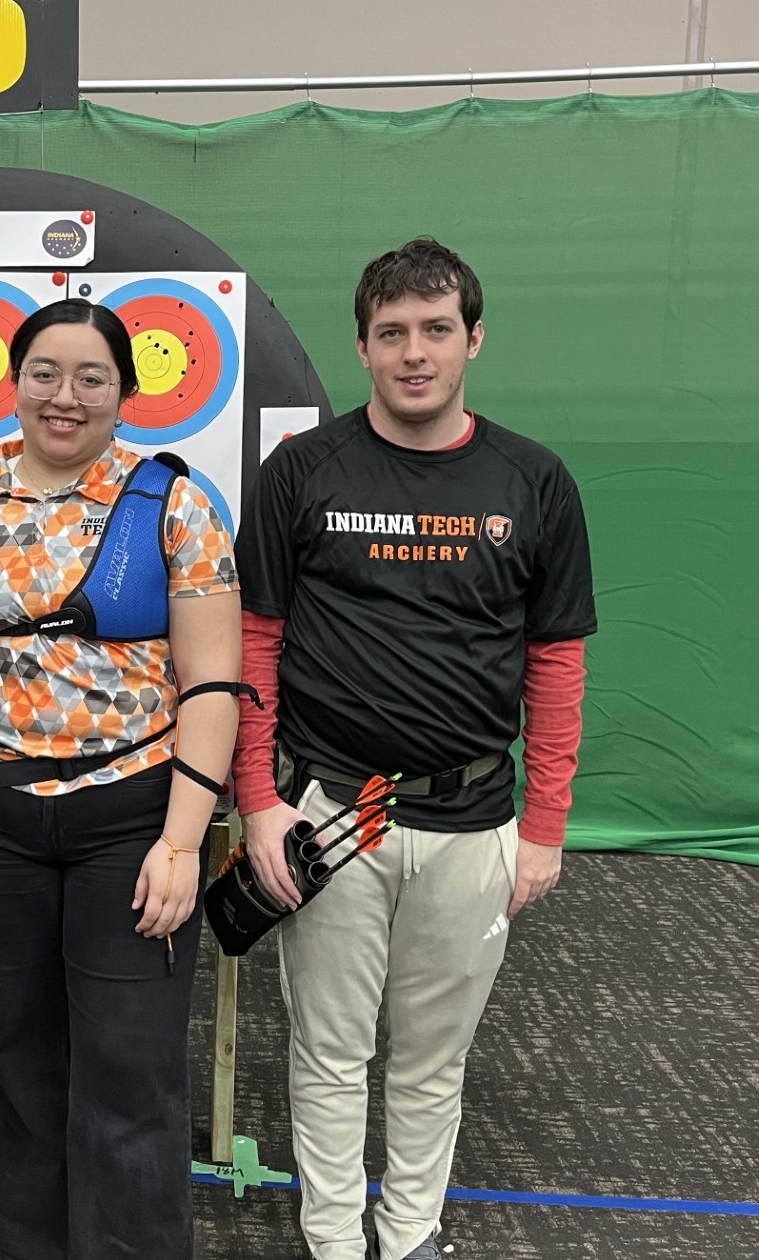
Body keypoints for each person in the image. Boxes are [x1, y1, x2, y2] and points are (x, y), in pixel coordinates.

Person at [231, 239, 596, 1260]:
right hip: (325, 814)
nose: (413, 352)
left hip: (473, 821)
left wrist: (542, 832)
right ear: (360, 346)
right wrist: (258, 799)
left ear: (471, 339)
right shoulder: (302, 471)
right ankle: (333, 1241)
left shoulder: (532, 479)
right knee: (329, 1052)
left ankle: (408, 1235)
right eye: (390, 332)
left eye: (435, 328)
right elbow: (254, 643)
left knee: (433, 1059)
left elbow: (555, 666)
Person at [0, 297, 244, 1260]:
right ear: (15, 381)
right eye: (45, 371)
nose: (65, 394)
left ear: (124, 393)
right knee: (19, 1060)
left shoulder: (174, 503)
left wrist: (180, 842)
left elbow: (213, 685)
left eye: (92, 377)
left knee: (129, 1072)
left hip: (130, 815)